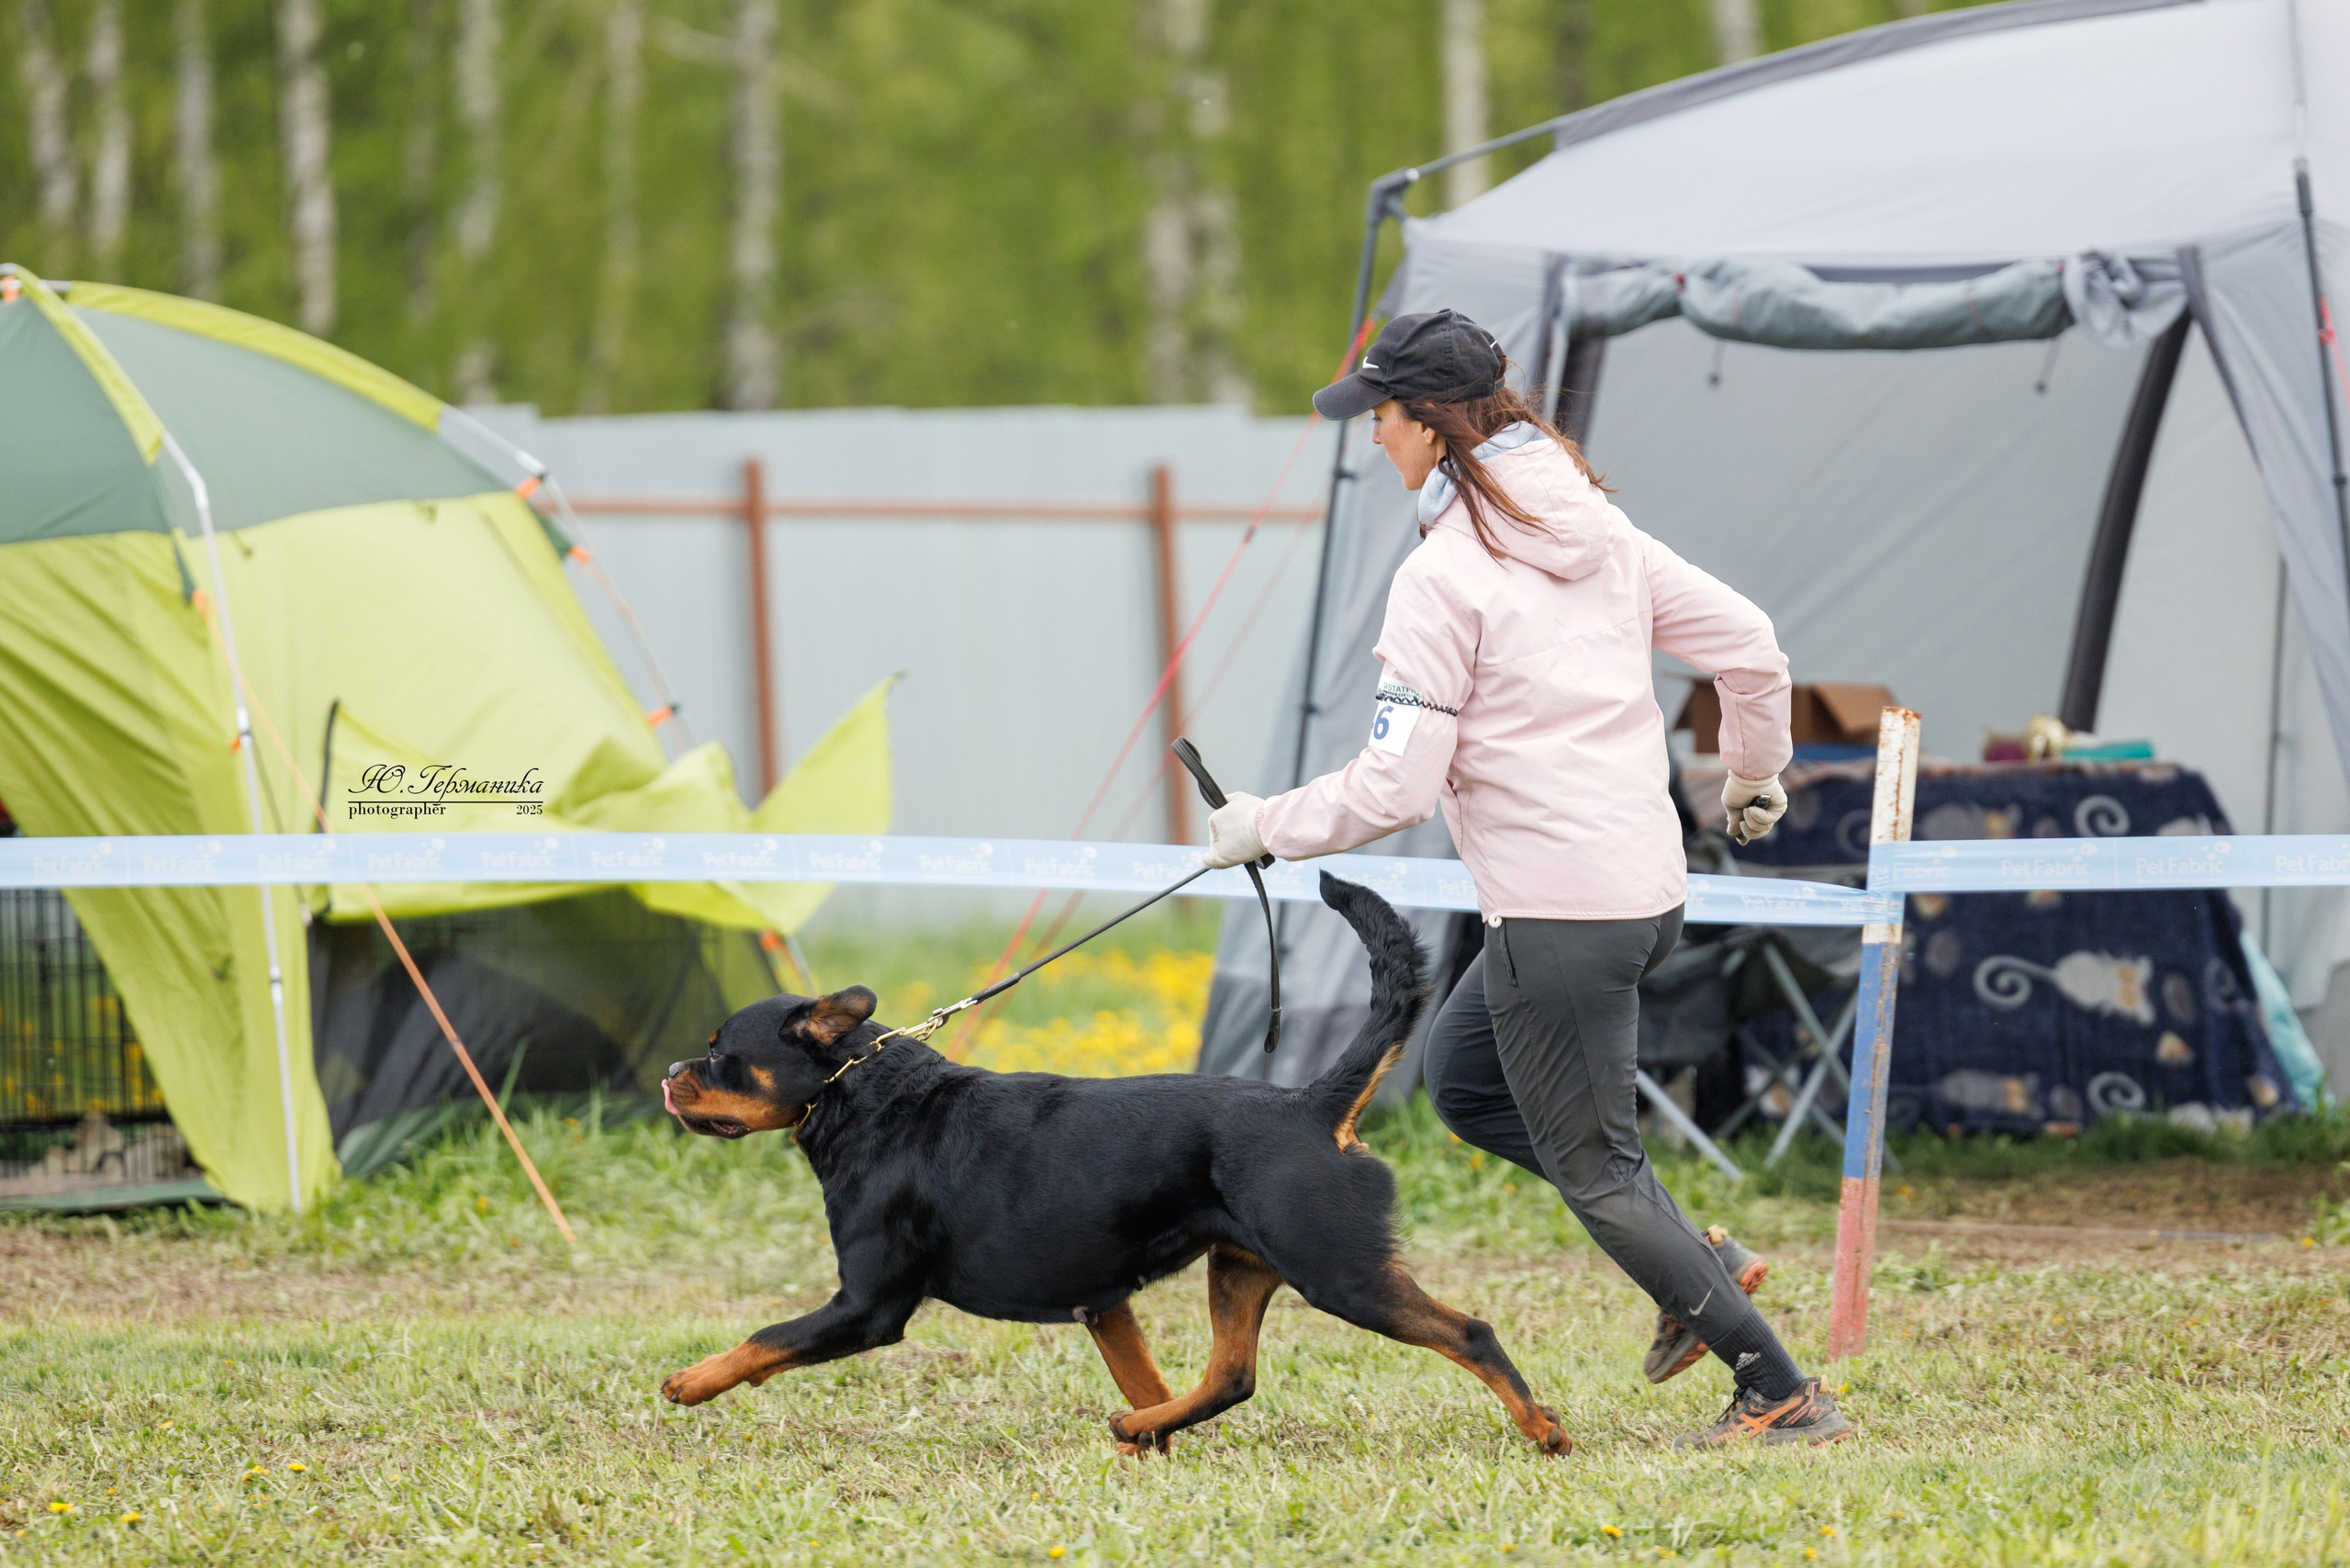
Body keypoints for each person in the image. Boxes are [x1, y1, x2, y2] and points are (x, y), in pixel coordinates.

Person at [1203, 308, 1849, 1448]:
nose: (1372, 440)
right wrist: (1754, 778)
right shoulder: (1603, 531)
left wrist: (1267, 825)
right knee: (1465, 1086)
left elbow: (1397, 787)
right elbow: (1750, 645)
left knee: (1597, 1173)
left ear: (1434, 425)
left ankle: (1779, 1390)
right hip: (1638, 898)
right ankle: (1698, 1257)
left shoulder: (1442, 575)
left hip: (1559, 914)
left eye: (1382, 417)